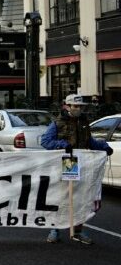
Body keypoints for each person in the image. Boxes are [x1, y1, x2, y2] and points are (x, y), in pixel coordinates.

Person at [41, 94, 113, 245]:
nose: (78, 109)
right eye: (75, 106)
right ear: (66, 106)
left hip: (83, 163)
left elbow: (89, 141)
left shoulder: (83, 122)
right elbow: (46, 141)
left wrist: (104, 147)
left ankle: (78, 230)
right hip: (68, 162)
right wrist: (61, 145)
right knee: (63, 197)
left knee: (81, 198)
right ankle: (55, 229)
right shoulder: (57, 123)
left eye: (80, 106)